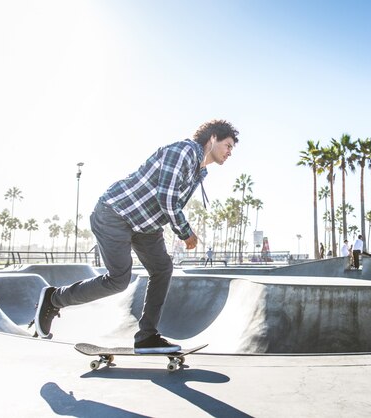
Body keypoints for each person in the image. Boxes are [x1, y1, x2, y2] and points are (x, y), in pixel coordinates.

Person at [34, 120, 239, 353]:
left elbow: (166, 203)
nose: (230, 152)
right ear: (212, 139)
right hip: (115, 214)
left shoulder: (199, 171)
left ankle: (147, 336)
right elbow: (167, 198)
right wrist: (185, 232)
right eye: (228, 145)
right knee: (118, 280)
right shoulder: (185, 151)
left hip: (146, 226)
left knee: (163, 269)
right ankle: (53, 299)